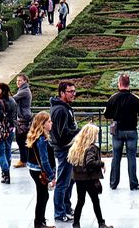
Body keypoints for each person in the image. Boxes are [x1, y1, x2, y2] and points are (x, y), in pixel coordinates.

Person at [105, 73, 139, 191]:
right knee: (132, 158)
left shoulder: (113, 98)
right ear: (129, 84)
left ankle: (113, 183)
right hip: (131, 131)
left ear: (119, 84)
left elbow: (106, 114)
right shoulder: (135, 98)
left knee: (116, 157)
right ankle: (133, 183)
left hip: (117, 131)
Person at [68, 123, 112, 228]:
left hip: (79, 178)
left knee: (80, 201)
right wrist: (101, 163)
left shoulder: (77, 146)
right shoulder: (91, 148)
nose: (97, 136)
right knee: (95, 201)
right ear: (92, 135)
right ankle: (101, 223)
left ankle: (76, 223)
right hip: (89, 178)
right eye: (96, 134)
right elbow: (89, 162)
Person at [50, 80, 80, 222]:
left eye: (74, 91)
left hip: (67, 149)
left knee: (69, 180)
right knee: (63, 182)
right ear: (62, 93)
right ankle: (59, 212)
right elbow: (62, 134)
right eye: (71, 91)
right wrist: (79, 131)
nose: (74, 94)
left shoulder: (64, 107)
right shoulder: (61, 110)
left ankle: (66, 208)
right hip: (64, 150)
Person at [25, 112, 56, 228]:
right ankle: (39, 222)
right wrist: (52, 176)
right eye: (49, 121)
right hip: (40, 171)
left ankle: (40, 220)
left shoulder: (35, 136)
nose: (51, 123)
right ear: (42, 124)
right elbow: (45, 160)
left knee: (43, 195)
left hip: (34, 169)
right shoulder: (42, 139)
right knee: (42, 196)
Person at [0, 81, 18, 184]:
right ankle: (6, 172)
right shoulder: (12, 100)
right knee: (7, 151)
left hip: (1, 130)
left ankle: (6, 173)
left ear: (3, 90)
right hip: (11, 129)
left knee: (0, 152)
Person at [14, 73, 34, 168]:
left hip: (24, 118)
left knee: (21, 140)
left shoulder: (24, 91)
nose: (18, 82)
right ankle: (26, 159)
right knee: (23, 140)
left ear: (25, 81)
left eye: (20, 80)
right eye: (17, 80)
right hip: (23, 118)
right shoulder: (22, 89)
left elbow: (13, 99)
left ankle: (23, 160)